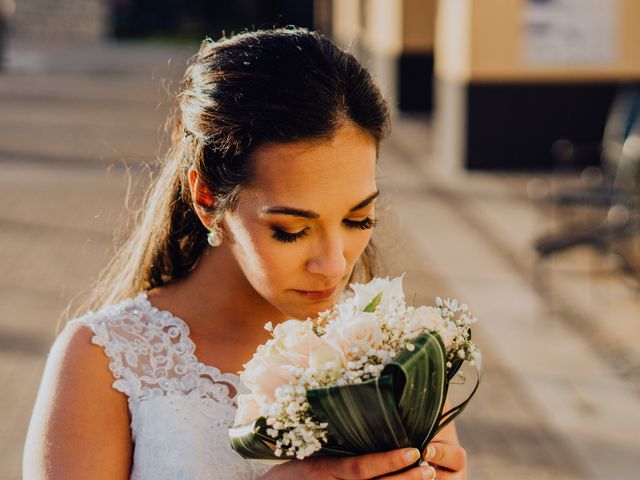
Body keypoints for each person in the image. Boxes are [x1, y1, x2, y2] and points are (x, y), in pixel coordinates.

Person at [22, 27, 468, 479]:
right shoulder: (104, 359)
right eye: (292, 230)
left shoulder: (395, 352)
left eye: (358, 220)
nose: (334, 265)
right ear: (207, 198)